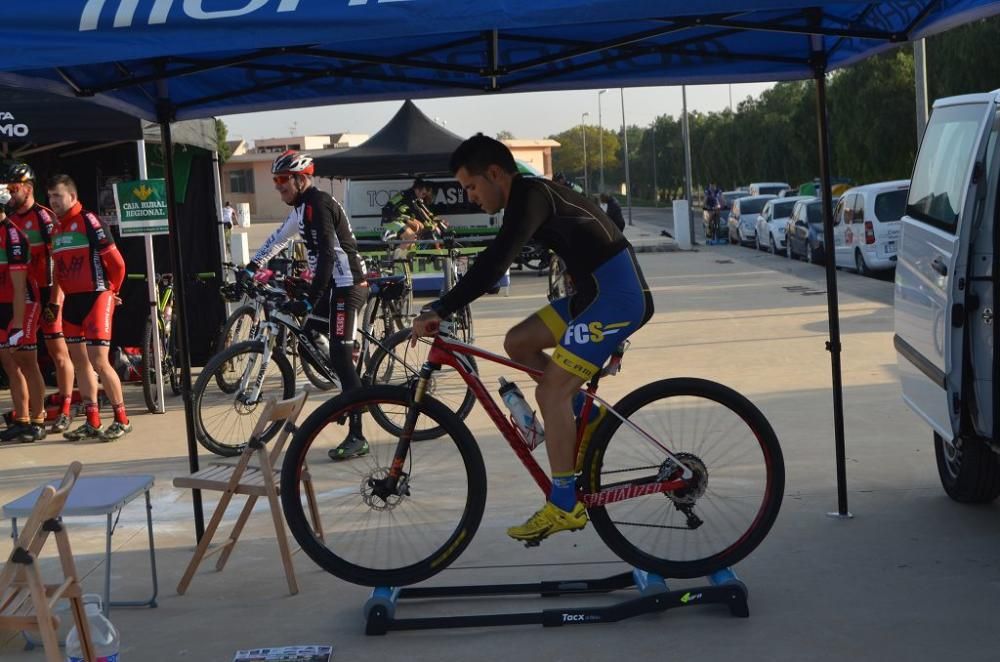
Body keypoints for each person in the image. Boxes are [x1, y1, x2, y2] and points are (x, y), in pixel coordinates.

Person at [411, 134, 654, 544]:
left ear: (494, 174)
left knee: (550, 395)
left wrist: (441, 307)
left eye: (471, 187)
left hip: (617, 298)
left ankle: (564, 504)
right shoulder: (528, 195)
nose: (471, 198)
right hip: (591, 297)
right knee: (518, 342)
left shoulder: (531, 195)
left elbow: (495, 263)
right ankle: (587, 417)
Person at [239, 150, 369, 460]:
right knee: (307, 331)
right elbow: (277, 240)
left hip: (347, 286)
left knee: (337, 353)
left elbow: (325, 255)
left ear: (301, 179)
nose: (278, 185)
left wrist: (311, 297)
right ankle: (348, 374)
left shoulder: (319, 204)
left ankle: (357, 433)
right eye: (275, 180)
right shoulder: (300, 210)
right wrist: (249, 268)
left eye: (283, 179)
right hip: (331, 287)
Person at [47, 174, 131, 441]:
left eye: (57, 196)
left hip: (96, 296)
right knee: (80, 363)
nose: (53, 201)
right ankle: (92, 421)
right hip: (72, 302)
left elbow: (117, 265)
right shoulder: (57, 230)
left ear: (72, 196)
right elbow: (59, 272)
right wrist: (54, 302)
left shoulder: (90, 221)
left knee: (98, 361)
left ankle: (122, 419)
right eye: (49, 197)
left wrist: (112, 292)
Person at [2, 163, 75, 433]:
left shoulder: (44, 217)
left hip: (46, 290)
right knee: (20, 354)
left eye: (14, 188)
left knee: (58, 350)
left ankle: (65, 408)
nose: (9, 193)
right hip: (24, 292)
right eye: (6, 188)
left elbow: (57, 260)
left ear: (28, 188)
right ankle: (29, 412)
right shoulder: (9, 220)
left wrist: (55, 298)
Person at [0, 184, 47, 443]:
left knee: (26, 362)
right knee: (9, 363)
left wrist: (18, 325)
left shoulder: (13, 235)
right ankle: (22, 419)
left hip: (23, 303)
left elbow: (19, 287)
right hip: (1, 304)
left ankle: (38, 420)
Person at [380, 177, 447, 255]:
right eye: (423, 194)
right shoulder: (409, 197)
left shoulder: (413, 194)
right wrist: (428, 223)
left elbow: (422, 207)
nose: (424, 196)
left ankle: (408, 249)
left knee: (419, 227)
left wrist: (432, 218)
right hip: (390, 219)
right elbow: (417, 211)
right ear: (417, 190)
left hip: (398, 217)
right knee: (411, 237)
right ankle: (395, 258)